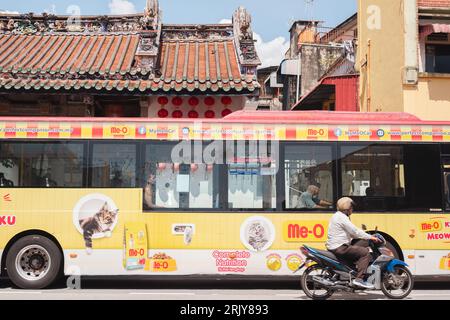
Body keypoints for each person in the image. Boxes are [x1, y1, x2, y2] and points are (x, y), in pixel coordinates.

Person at [326, 197, 382, 290]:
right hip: (340, 247)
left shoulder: (337, 215)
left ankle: (354, 272)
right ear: (347, 208)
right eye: (352, 208)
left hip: (336, 246)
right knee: (364, 253)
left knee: (360, 246)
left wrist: (365, 236)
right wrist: (371, 237)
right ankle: (359, 279)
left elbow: (353, 233)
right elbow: (355, 231)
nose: (352, 210)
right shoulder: (342, 218)